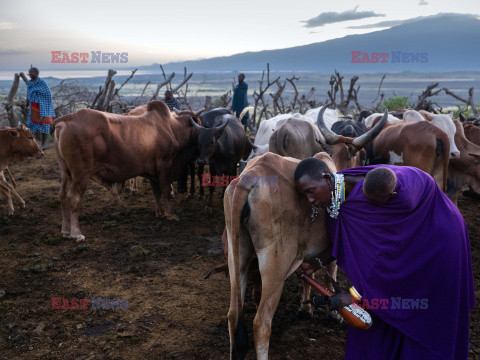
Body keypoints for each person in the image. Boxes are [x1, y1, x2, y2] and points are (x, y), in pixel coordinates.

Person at [294, 159, 475, 360]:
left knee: (423, 315)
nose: (309, 200)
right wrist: (315, 263)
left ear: (327, 179)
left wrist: (354, 295)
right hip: (403, 256)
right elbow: (346, 240)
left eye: (310, 191)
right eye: (305, 194)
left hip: (437, 247)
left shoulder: (395, 199)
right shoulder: (340, 195)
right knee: (380, 316)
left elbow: (391, 260)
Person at [26, 67, 55, 150]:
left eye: (31, 73)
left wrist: (40, 100)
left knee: (44, 125)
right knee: (31, 125)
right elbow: (28, 94)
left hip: (43, 107)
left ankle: (43, 144)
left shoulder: (42, 82)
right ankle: (32, 144)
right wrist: (27, 104)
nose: (30, 75)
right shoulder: (29, 83)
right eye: (29, 74)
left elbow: (48, 94)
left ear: (36, 73)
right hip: (33, 107)